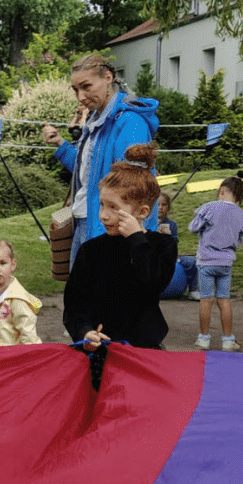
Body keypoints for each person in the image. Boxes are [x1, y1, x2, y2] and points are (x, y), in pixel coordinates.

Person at [42, 55, 160, 269]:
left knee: (103, 299)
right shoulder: (95, 121)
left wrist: (123, 240)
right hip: (84, 221)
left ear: (108, 78)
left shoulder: (130, 122)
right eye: (75, 89)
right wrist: (61, 144)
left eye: (86, 86)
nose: (80, 96)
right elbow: (88, 174)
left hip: (109, 228)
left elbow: (131, 189)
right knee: (82, 297)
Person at [62, 143, 177, 351]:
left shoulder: (162, 245)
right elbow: (74, 304)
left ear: (141, 212)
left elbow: (153, 284)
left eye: (113, 207)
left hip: (142, 350)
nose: (103, 215)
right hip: (98, 349)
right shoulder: (91, 250)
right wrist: (84, 332)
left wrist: (136, 240)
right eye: (102, 204)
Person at [190, 174, 243, 351]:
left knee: (206, 299)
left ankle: (203, 338)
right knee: (224, 300)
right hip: (226, 263)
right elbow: (238, 242)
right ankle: (227, 340)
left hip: (206, 262)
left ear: (222, 191)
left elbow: (193, 228)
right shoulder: (242, 215)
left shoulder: (208, 208)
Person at [156, 191, 200, 300]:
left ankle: (193, 290)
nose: (160, 208)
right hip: (152, 258)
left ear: (168, 208)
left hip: (170, 258)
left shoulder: (172, 224)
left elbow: (174, 244)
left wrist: (168, 237)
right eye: (157, 205)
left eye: (164, 205)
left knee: (191, 262)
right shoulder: (146, 223)